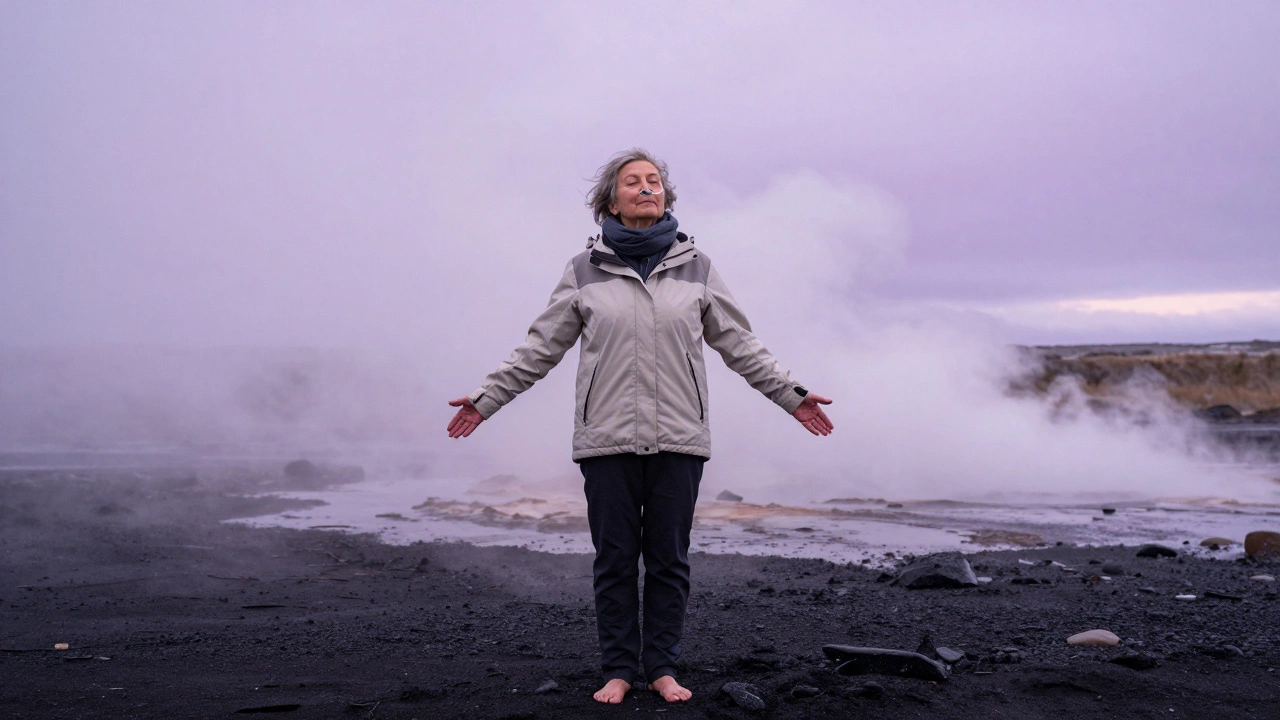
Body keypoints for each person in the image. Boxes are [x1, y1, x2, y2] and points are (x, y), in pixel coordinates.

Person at [446, 148, 833, 705]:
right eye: (633, 182)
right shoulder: (584, 270)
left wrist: (791, 395)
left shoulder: (696, 267)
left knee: (669, 561)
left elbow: (740, 343)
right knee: (616, 561)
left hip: (679, 437)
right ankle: (620, 670)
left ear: (666, 197)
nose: (646, 188)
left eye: (654, 181)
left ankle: (664, 669)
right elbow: (540, 348)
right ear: (611, 200)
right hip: (606, 438)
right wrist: (486, 399)